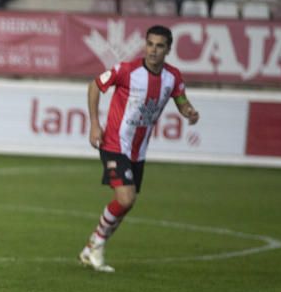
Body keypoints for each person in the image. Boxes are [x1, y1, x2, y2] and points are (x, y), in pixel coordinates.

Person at [78, 25, 200, 273]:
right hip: (114, 143)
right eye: (150, 44)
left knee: (127, 203)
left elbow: (181, 100)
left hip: (138, 150)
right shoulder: (126, 70)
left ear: (168, 49)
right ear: (145, 45)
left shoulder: (173, 77)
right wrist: (94, 124)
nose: (153, 50)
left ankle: (89, 248)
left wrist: (189, 111)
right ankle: (97, 246)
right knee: (126, 198)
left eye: (160, 46)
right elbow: (94, 86)